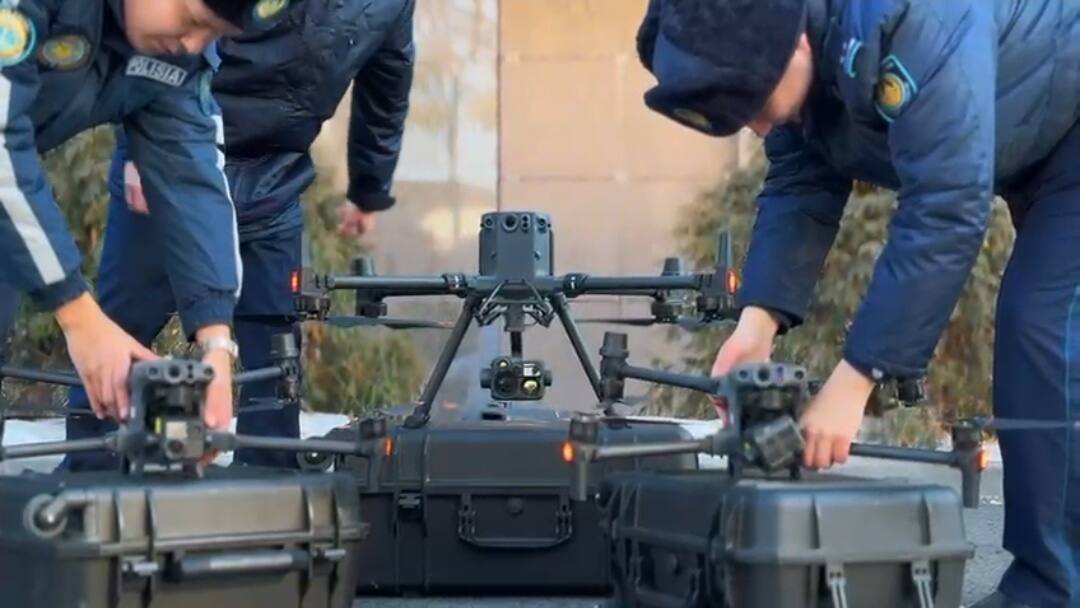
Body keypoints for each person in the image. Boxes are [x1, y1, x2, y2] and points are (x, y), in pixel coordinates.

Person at [635, 1, 1080, 606]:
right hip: (1034, 137)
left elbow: (946, 209)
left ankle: (1051, 592)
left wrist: (855, 379)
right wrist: (756, 325)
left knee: (1042, 324)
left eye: (756, 107)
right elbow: (800, 182)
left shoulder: (911, 19)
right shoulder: (790, 37)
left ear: (794, 46)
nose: (758, 128)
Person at [63, 0, 416, 470]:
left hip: (275, 179)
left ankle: (272, 488)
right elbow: (164, 31)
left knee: (275, 362)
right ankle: (86, 476)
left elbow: (388, 85)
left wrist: (369, 191)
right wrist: (137, 151)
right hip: (175, 165)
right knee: (121, 336)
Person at [0, 0, 266, 437]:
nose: (193, 44)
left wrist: (216, 347)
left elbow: (189, 172)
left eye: (214, 36)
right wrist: (80, 317)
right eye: (192, 21)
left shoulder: (170, 53)